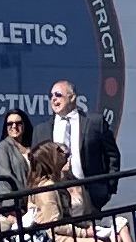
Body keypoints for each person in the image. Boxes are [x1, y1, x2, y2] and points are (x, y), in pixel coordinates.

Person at [42, 78, 112, 206]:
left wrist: (109, 188)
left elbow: (112, 155)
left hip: (91, 194)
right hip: (57, 196)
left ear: (72, 97)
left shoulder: (95, 123)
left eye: (58, 95)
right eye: (51, 95)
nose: (53, 99)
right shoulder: (42, 130)